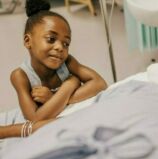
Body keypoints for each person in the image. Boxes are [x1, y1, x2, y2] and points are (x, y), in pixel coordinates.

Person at [0, 0, 107, 139]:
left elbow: (99, 83)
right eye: (51, 39)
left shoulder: (67, 62)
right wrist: (70, 84)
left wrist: (53, 99)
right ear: (28, 41)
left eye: (66, 43)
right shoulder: (20, 76)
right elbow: (35, 120)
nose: (60, 47)